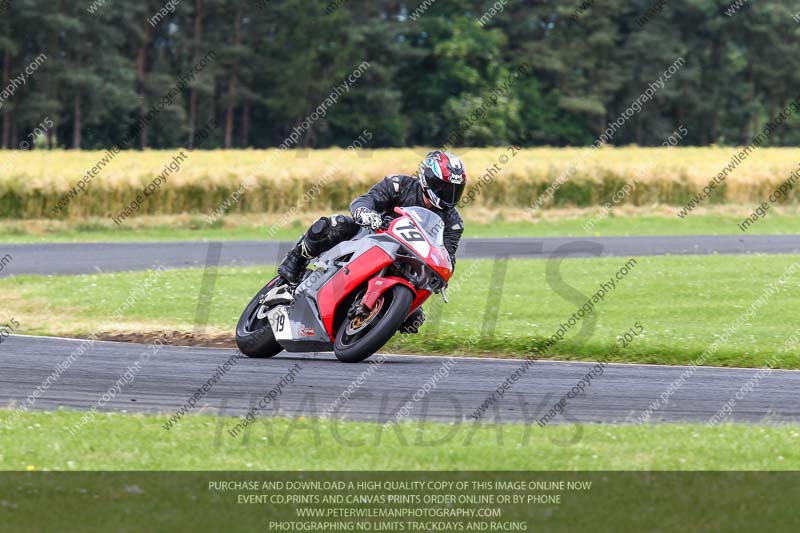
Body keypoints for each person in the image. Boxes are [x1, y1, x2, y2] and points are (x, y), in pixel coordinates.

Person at [276, 150, 467, 333]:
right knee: (334, 224)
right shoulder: (399, 184)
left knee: (414, 317)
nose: (449, 195)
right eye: (444, 187)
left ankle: (378, 316)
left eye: (455, 190)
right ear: (428, 179)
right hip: (370, 237)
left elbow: (447, 256)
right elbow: (366, 200)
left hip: (406, 265)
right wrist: (367, 214)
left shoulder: (454, 222)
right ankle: (295, 261)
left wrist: (443, 274)